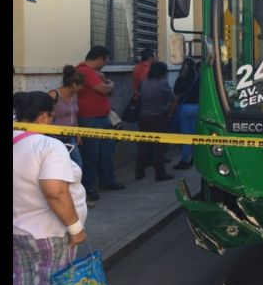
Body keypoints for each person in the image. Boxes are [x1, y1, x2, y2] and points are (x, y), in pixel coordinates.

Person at [13, 91, 87, 285]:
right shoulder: (47, 146)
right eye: (53, 117)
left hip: (18, 230)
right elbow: (54, 191)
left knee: (21, 282)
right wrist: (76, 229)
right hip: (50, 233)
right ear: (44, 116)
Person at [76, 46, 125, 203]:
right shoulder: (85, 71)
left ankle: (107, 180)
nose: (106, 64)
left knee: (106, 151)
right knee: (91, 154)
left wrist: (105, 81)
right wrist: (110, 83)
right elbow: (105, 89)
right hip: (90, 119)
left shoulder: (92, 72)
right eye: (106, 60)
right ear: (100, 58)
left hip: (102, 118)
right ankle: (89, 187)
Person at [136, 61, 175, 181]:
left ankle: (139, 171)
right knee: (158, 147)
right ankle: (160, 173)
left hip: (144, 116)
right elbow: (172, 98)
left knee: (143, 145)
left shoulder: (144, 83)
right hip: (158, 116)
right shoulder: (163, 84)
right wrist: (169, 112)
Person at [48, 65, 85, 170]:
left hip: (70, 137)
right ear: (74, 84)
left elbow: (74, 115)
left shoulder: (74, 95)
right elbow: (45, 115)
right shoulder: (54, 95)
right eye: (81, 85)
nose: (83, 88)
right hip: (55, 137)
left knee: (77, 165)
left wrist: (78, 133)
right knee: (58, 166)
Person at [172, 58, 200, 169]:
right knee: (195, 135)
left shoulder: (180, 79)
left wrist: (171, 111)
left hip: (184, 108)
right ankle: (195, 158)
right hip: (198, 108)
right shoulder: (199, 79)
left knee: (185, 136)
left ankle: (184, 160)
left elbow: (176, 97)